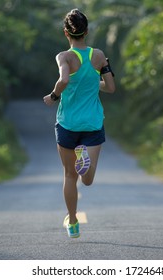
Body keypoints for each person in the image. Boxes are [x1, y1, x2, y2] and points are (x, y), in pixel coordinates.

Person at [43, 9, 115, 238]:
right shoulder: (99, 55)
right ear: (87, 31)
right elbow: (111, 87)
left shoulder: (64, 57)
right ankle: (84, 159)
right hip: (92, 124)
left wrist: (53, 97)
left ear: (66, 32)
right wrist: (96, 82)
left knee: (68, 176)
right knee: (88, 179)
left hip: (68, 124)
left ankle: (72, 222)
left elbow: (64, 79)